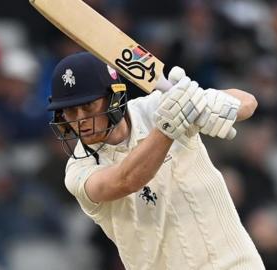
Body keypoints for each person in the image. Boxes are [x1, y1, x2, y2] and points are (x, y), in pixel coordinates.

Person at [47, 52, 264, 269]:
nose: (80, 120)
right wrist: (169, 126)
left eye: (87, 106)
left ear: (113, 97)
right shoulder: (79, 169)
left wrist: (204, 103)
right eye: (70, 111)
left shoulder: (157, 106)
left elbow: (248, 102)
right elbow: (126, 180)